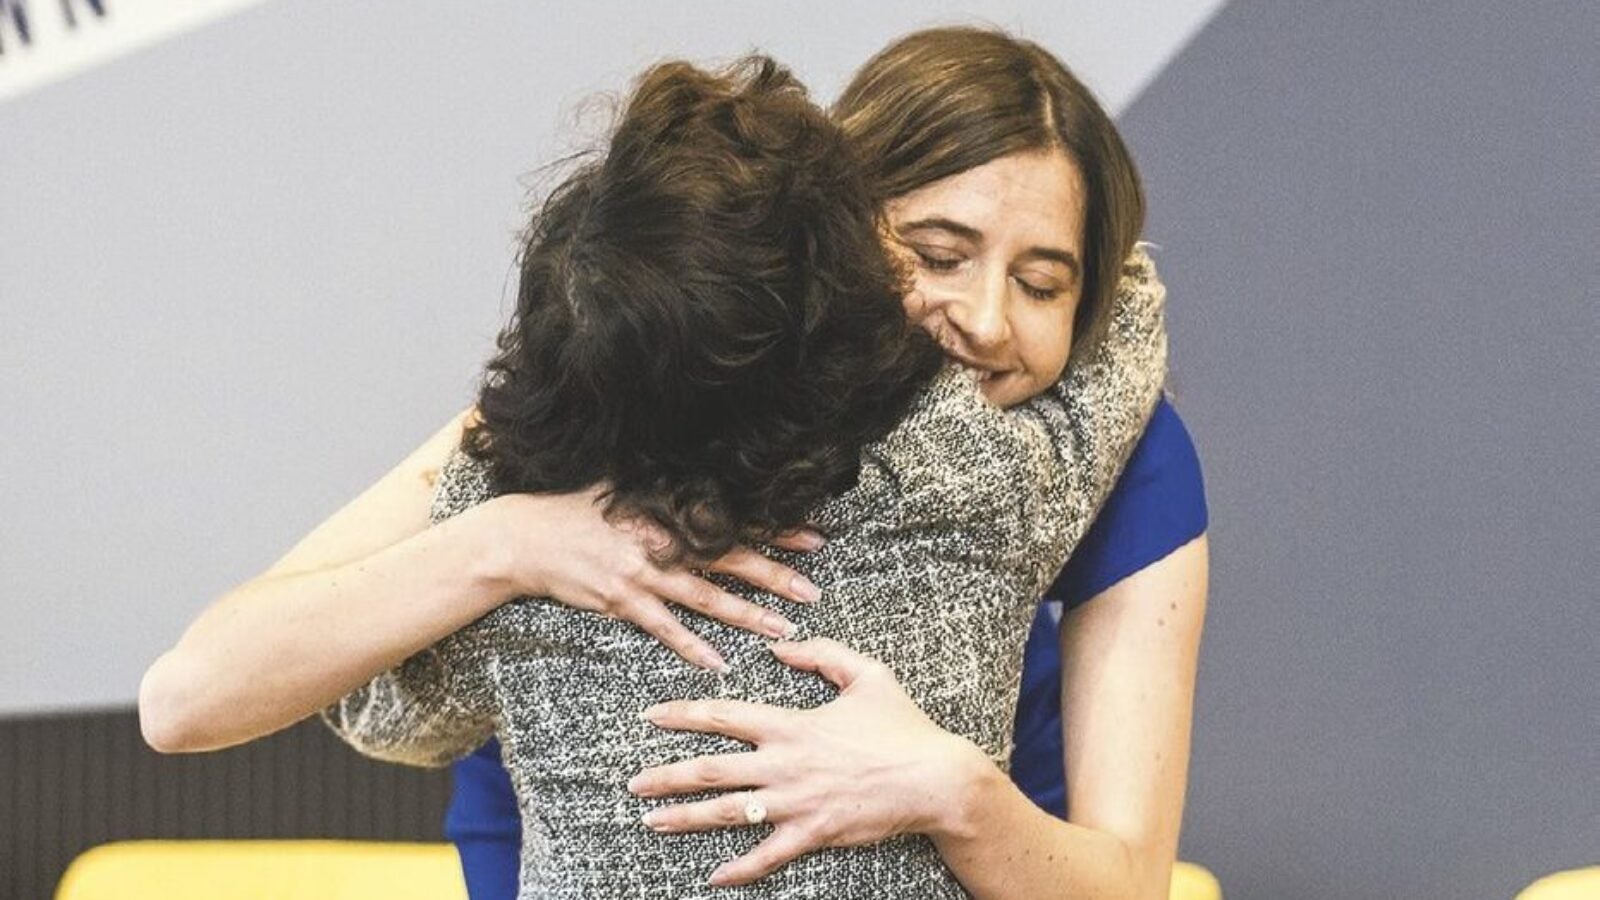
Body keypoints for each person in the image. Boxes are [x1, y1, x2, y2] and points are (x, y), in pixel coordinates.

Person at [317, 45, 1167, 900]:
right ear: (835, 234)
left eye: (1043, 283)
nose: (985, 322)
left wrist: (956, 793)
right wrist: (508, 539)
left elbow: (1128, 880)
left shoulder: (1038, 460)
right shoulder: (619, 409)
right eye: (938, 255)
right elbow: (237, 691)